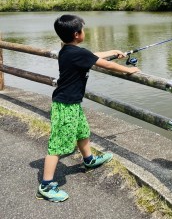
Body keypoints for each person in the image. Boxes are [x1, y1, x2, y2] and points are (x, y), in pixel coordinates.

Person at [37, 14, 140, 202]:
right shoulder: (78, 54)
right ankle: (46, 185)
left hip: (70, 103)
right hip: (65, 105)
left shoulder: (66, 49)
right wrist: (129, 70)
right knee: (57, 144)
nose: (84, 32)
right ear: (77, 34)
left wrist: (114, 51)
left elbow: (93, 56)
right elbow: (106, 64)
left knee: (82, 131)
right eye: (83, 30)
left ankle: (89, 160)